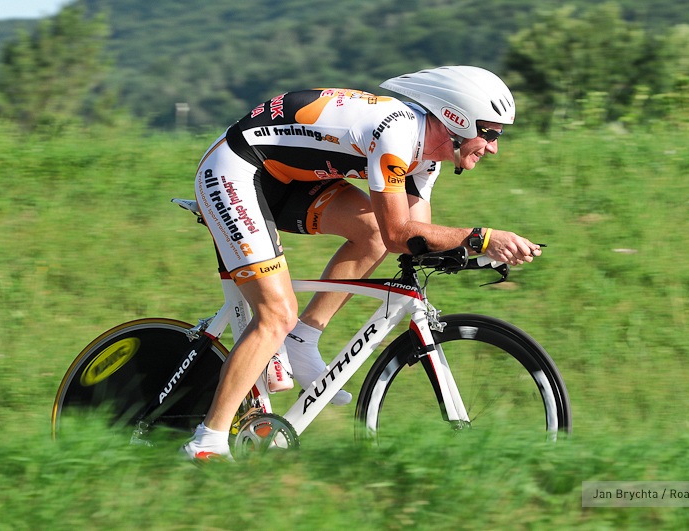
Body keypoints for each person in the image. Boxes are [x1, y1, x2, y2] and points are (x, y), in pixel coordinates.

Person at [181, 65, 543, 460]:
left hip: (287, 178)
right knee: (275, 316)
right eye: (489, 133)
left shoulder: (427, 160)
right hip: (237, 168)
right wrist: (483, 237)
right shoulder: (397, 134)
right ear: (456, 119)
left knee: (370, 233)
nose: (493, 147)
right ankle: (206, 442)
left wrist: (478, 251)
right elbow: (398, 233)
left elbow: (414, 239)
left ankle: (303, 339)